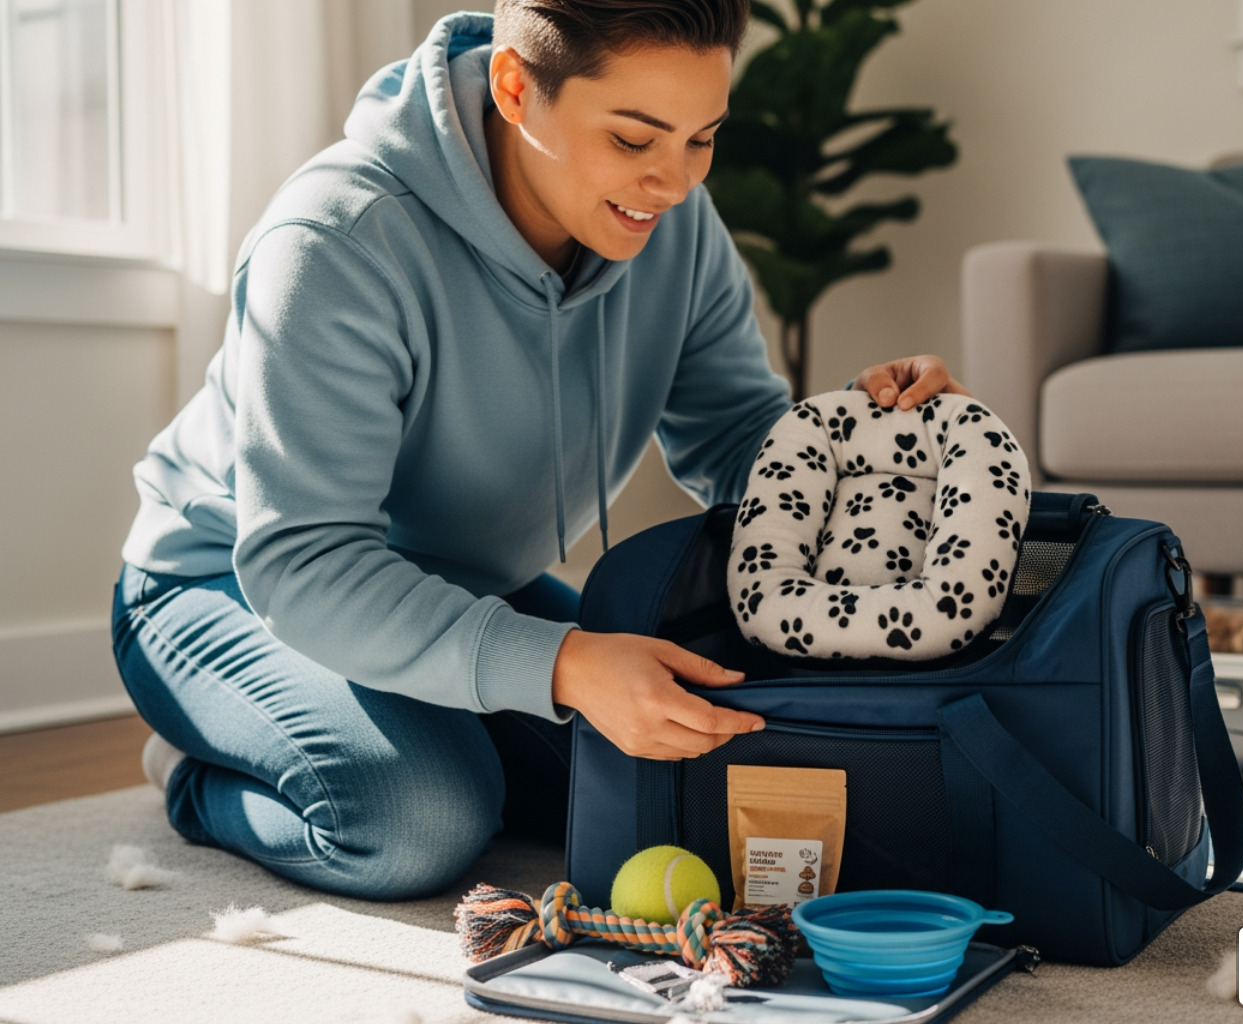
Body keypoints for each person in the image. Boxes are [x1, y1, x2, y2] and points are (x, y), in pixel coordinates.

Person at [111, 0, 969, 901]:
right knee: (419, 821)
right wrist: (561, 663)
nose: (673, 183)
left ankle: (426, 722)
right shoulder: (336, 240)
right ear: (516, 87)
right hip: (225, 584)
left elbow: (733, 439)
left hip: (458, 583)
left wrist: (868, 438)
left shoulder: (675, 227)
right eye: (634, 141)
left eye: (702, 138)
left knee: (687, 763)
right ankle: (194, 769)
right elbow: (304, 561)